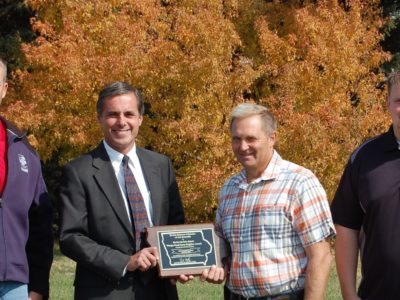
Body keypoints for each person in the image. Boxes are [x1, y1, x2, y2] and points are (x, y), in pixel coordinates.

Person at [59, 81, 185, 300]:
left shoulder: (161, 165)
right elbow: (71, 237)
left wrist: (180, 263)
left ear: (140, 119)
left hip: (160, 290)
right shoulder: (78, 171)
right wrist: (126, 262)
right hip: (106, 290)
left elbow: (176, 225)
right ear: (99, 118)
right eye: (112, 114)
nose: (121, 122)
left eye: (129, 114)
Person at [203, 103, 335, 300]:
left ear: (272, 138)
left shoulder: (299, 182)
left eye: (251, 139)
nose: (243, 146)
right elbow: (222, 241)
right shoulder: (230, 188)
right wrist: (218, 263)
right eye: (236, 139)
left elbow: (321, 256)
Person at [331, 69, 400, 300]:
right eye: (399, 101)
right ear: (388, 102)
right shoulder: (364, 158)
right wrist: (349, 295)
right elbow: (346, 228)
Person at [0, 57, 53, 300]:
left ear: (4, 89)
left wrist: (39, 287)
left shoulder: (24, 151)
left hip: (14, 285)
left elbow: (41, 226)